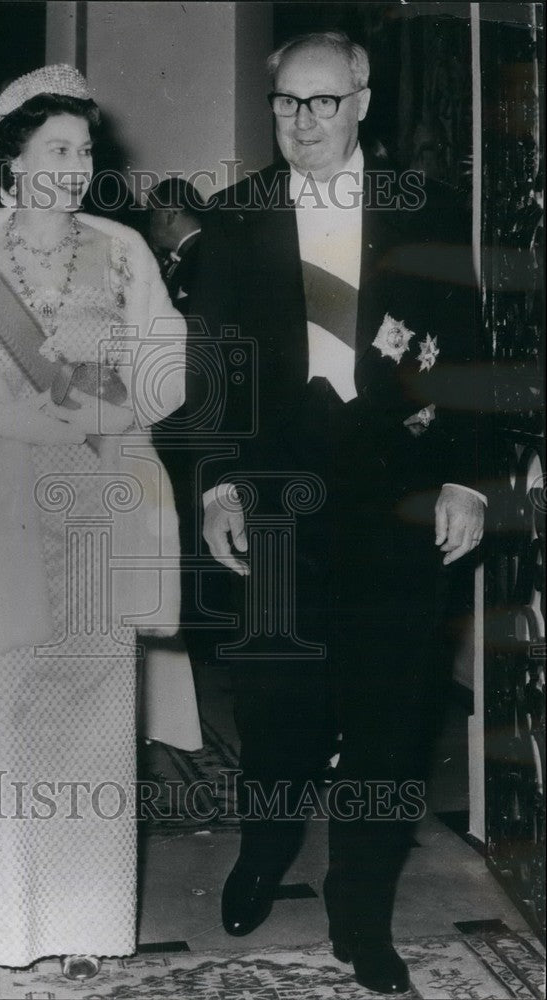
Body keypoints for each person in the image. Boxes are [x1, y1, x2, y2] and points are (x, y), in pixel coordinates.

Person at [189, 32, 486, 995]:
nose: (300, 121)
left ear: (361, 101)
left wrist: (468, 482)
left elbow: (473, 365)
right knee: (276, 707)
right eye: (284, 103)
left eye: (320, 102)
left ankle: (360, 915)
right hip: (276, 494)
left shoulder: (429, 212)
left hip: (394, 499)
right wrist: (220, 486)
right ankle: (263, 851)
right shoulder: (235, 221)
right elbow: (215, 373)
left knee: (388, 720)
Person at [0, 64, 191, 976]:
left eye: (84, 149)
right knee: (9, 715)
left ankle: (87, 927)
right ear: (12, 161)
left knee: (95, 722)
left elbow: (166, 365)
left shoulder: (124, 250)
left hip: (98, 495)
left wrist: (114, 404)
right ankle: (13, 918)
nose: (71, 165)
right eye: (53, 148)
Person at [147, 178, 205, 314]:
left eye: (150, 213)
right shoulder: (191, 255)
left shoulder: (203, 257)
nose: (148, 222)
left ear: (170, 214)